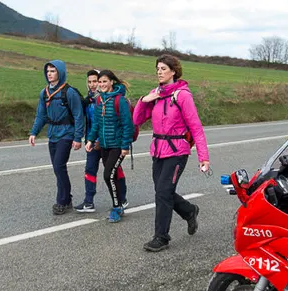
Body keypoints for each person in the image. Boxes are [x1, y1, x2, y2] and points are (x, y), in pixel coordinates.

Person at [133, 54, 211, 252]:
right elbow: (137, 120)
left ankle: (161, 237)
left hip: (177, 151)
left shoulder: (183, 95)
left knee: (163, 191)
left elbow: (196, 128)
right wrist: (144, 100)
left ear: (173, 72)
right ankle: (189, 211)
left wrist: (204, 157)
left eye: (163, 69)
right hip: (158, 150)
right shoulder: (156, 94)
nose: (159, 72)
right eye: (157, 69)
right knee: (163, 190)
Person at [29, 60, 84, 215]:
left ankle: (62, 201)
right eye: (48, 71)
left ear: (60, 72)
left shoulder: (69, 92)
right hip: (52, 134)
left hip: (66, 134)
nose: (49, 74)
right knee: (57, 169)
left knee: (59, 166)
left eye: (53, 71)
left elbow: (78, 116)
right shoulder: (44, 93)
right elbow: (41, 115)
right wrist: (34, 132)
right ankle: (67, 198)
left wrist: (77, 137)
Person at [75, 69, 129, 213]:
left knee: (111, 173)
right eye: (90, 82)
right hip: (97, 142)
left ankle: (120, 201)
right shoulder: (92, 100)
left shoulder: (118, 99)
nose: (93, 84)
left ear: (111, 82)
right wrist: (89, 140)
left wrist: (125, 146)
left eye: (96, 81)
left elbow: (127, 125)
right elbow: (95, 123)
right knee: (91, 169)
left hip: (113, 143)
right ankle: (89, 201)